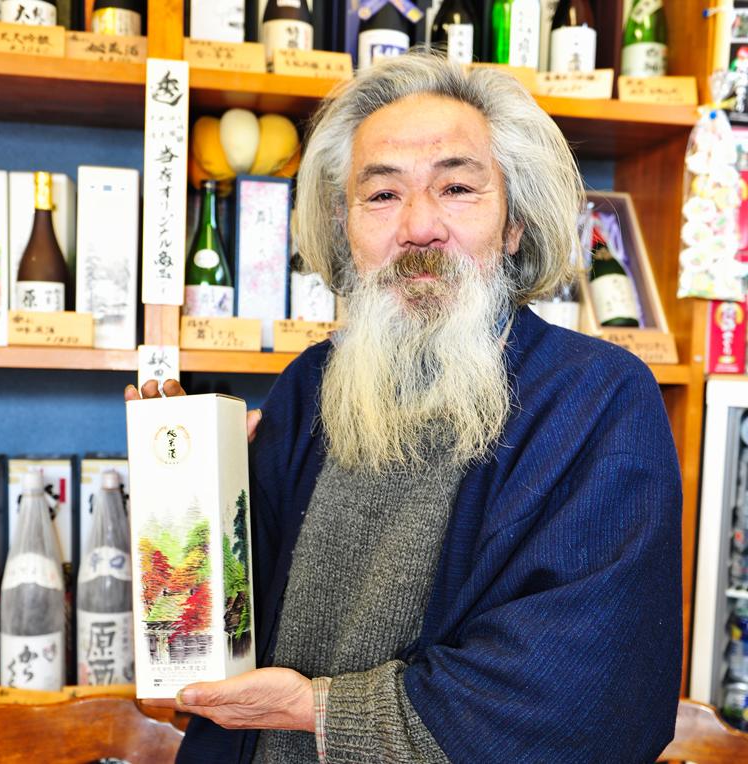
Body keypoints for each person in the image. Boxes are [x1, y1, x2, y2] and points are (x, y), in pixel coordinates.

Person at [127, 52, 682, 763]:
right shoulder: (311, 386)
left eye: (457, 188)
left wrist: (316, 711)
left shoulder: (596, 400)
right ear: (345, 227)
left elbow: (589, 694)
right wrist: (190, 507)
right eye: (381, 196)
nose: (419, 228)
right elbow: (219, 626)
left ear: (513, 224)